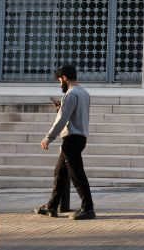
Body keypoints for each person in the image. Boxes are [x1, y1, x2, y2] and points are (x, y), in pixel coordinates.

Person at [34, 64, 95, 220]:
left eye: (59, 80)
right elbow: (76, 113)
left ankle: (88, 208)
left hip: (72, 139)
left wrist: (49, 137)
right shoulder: (84, 93)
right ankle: (52, 206)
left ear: (65, 78)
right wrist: (61, 107)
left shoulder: (70, 94)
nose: (59, 83)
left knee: (77, 175)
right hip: (80, 137)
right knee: (59, 172)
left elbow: (62, 119)